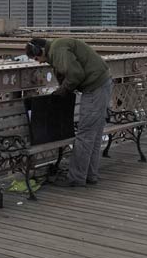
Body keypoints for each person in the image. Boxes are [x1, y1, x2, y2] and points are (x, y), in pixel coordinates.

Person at [25, 37, 113, 187]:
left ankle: (76, 178)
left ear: (40, 50)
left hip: (94, 89)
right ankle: (90, 175)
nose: (38, 62)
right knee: (94, 134)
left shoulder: (58, 50)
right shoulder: (57, 48)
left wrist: (62, 91)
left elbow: (76, 74)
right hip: (102, 84)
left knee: (84, 135)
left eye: (36, 57)